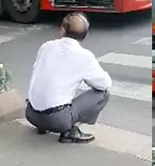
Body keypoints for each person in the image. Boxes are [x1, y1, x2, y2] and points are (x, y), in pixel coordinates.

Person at [26, 12, 112, 144]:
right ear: (85, 35)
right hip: (58, 120)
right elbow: (105, 84)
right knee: (103, 94)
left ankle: (43, 127)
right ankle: (69, 131)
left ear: (62, 30)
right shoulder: (84, 56)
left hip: (30, 114)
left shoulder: (46, 46)